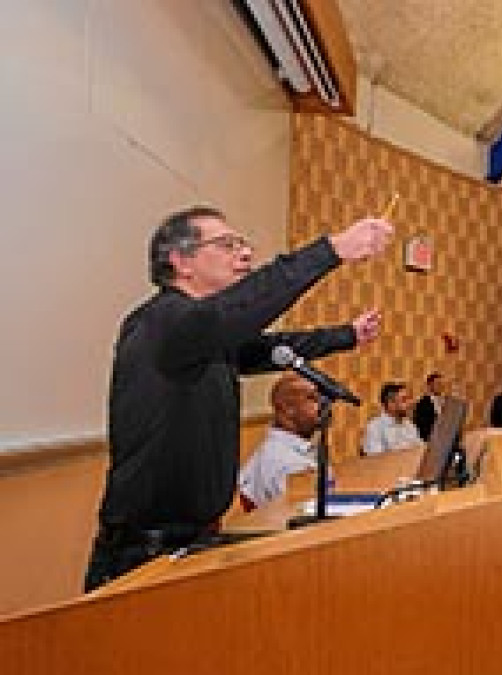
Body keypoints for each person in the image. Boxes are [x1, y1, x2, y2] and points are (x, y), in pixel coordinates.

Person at [85, 205, 392, 591]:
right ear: (181, 261)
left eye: (243, 244)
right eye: (227, 245)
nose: (244, 254)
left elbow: (268, 346)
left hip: (195, 541)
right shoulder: (162, 322)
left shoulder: (207, 337)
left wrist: (346, 335)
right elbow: (236, 311)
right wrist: (332, 249)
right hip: (144, 554)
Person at [237, 374, 320, 510]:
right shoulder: (286, 462)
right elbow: (305, 514)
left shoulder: (279, 449)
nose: (321, 407)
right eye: (312, 398)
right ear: (288, 409)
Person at [361, 382, 424, 455]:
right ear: (391, 404)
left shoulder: (409, 425)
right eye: (404, 400)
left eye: (410, 398)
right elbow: (377, 462)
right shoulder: (375, 427)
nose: (411, 403)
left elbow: (421, 451)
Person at [412, 371, 445, 441]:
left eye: (442, 384)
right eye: (438, 383)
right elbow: (421, 427)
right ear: (430, 385)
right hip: (430, 441)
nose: (441, 386)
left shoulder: (445, 402)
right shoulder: (422, 404)